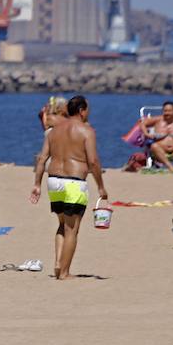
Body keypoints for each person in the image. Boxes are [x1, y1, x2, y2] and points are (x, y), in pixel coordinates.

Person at [30, 95, 108, 280]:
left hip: (54, 180)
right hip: (74, 182)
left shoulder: (53, 131)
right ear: (81, 111)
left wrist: (36, 184)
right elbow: (94, 161)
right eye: (88, 109)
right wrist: (101, 187)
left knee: (62, 224)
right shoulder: (86, 131)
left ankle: (58, 264)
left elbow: (42, 159)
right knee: (72, 230)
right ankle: (64, 273)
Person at [139, 101, 173, 171]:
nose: (167, 113)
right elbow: (142, 124)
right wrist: (146, 134)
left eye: (169, 111)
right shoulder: (158, 119)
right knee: (154, 146)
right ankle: (170, 167)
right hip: (159, 150)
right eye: (165, 111)